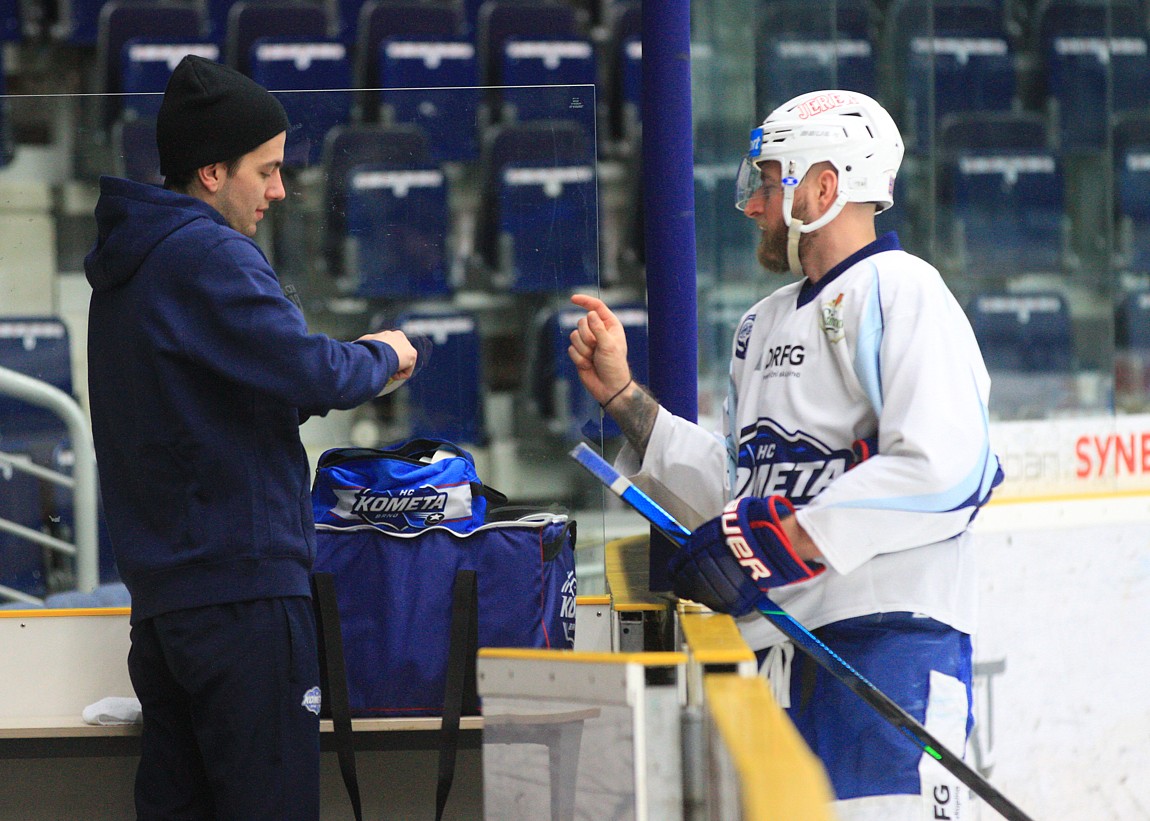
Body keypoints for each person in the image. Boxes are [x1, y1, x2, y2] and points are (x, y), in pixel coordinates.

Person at [568, 89, 1003, 819]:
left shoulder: (904, 291)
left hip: (885, 652)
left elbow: (946, 470)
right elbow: (746, 492)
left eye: (769, 183)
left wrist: (790, 537)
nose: (752, 205)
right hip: (777, 655)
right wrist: (624, 399)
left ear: (825, 189)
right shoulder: (760, 323)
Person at [84, 55, 419, 820]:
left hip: (165, 612)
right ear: (212, 171)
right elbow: (311, 371)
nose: (280, 190)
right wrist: (384, 355)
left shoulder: (128, 271)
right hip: (246, 602)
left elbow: (209, 411)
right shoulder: (211, 253)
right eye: (265, 170)